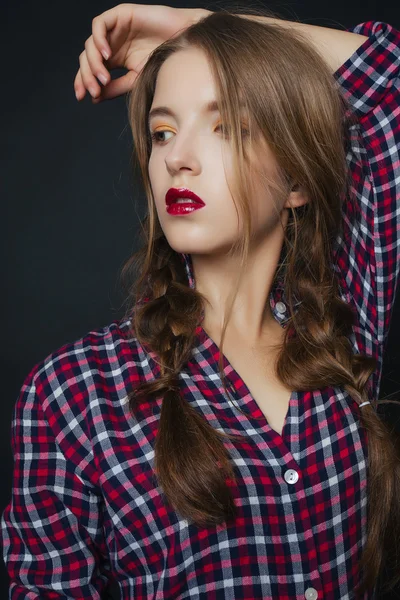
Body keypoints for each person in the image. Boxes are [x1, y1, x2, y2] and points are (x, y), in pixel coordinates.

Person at [1, 3, 400, 599]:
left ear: (295, 180)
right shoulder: (75, 395)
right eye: (163, 131)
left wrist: (201, 25)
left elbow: (386, 80)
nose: (177, 158)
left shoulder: (340, 327)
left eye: (225, 126)